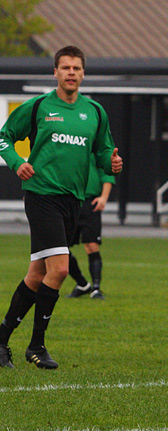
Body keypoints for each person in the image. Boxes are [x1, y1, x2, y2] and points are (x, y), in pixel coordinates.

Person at [0, 45, 123, 369]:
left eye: (77, 68)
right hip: (41, 196)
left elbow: (103, 156)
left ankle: (0, 340)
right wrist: (16, 162)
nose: (71, 73)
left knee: (37, 274)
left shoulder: (95, 112)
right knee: (61, 269)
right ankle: (36, 346)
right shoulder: (39, 106)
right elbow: (4, 136)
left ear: (83, 73)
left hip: (75, 200)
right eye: (65, 67)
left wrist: (113, 164)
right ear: (55, 72)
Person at [67, 156, 115, 300]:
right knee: (60, 248)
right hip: (69, 202)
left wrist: (104, 198)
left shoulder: (97, 147)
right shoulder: (68, 146)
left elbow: (108, 173)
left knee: (92, 245)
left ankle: (95, 289)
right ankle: (82, 284)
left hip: (90, 203)